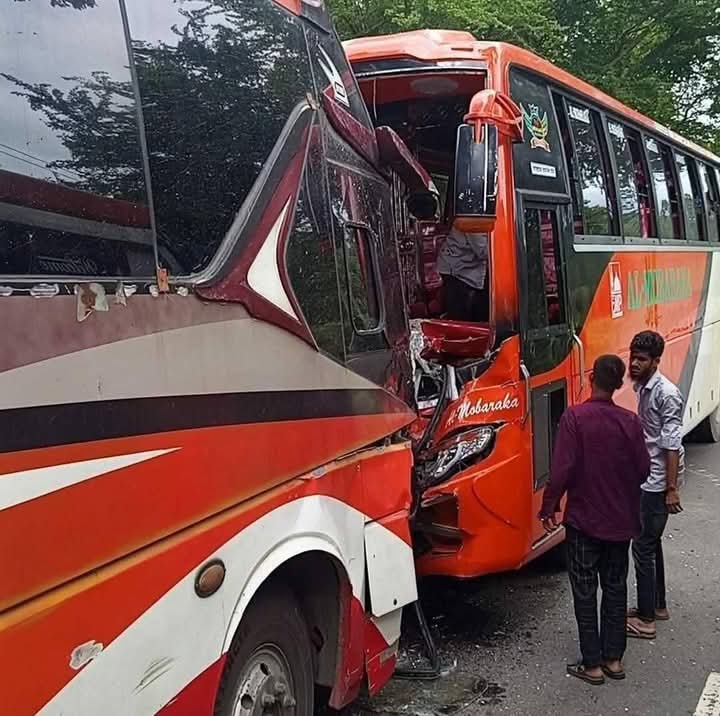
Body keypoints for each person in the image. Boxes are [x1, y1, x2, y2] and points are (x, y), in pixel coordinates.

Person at [539, 355, 650, 685]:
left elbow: (561, 470)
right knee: (615, 588)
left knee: (584, 591)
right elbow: (644, 470)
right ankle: (613, 659)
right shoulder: (630, 422)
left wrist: (548, 506)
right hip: (620, 523)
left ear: (592, 378)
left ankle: (592, 665)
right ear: (618, 384)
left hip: (583, 522)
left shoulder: (575, 417)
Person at [626, 330, 684, 640]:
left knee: (643, 546)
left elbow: (671, 444)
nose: (634, 363)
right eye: (633, 357)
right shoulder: (643, 387)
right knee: (651, 542)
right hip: (648, 476)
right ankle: (656, 606)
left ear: (656, 361)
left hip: (657, 482)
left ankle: (646, 619)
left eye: (642, 359)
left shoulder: (666, 393)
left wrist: (670, 489)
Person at [437, 228, 488, 322]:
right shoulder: (475, 221)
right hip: (457, 270)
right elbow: (483, 251)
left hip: (468, 268)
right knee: (460, 315)